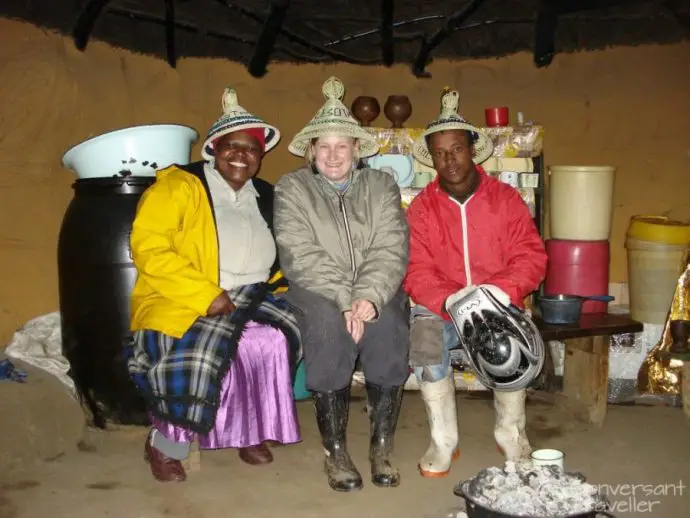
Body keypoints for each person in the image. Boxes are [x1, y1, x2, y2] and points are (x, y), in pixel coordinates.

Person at [126, 88, 302, 483]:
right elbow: (149, 248)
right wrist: (206, 294)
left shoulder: (267, 195)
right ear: (214, 149)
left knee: (272, 339)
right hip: (183, 297)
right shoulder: (179, 186)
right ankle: (166, 444)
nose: (241, 155)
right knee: (200, 355)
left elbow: (284, 254)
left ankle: (249, 431)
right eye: (231, 146)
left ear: (261, 156)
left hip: (253, 296)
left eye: (251, 149)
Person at [273, 77, 410, 492]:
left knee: (387, 327)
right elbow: (299, 253)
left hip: (376, 287)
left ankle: (381, 446)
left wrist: (367, 295)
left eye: (342, 146)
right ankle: (335, 451)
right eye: (324, 146)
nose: (334, 155)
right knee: (329, 329)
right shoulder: (292, 188)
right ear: (311, 152)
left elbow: (391, 245)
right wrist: (347, 300)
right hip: (316, 288)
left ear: (355, 150)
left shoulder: (381, 185)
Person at [403, 89, 548, 477]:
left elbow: (531, 257)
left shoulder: (505, 199)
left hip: (496, 303)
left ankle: (511, 432)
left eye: (457, 149)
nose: (450, 160)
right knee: (424, 342)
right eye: (440, 152)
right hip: (443, 307)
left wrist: (498, 292)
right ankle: (443, 439)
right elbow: (415, 269)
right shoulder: (422, 208)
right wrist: (451, 299)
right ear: (431, 158)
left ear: (471, 149)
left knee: (508, 345)